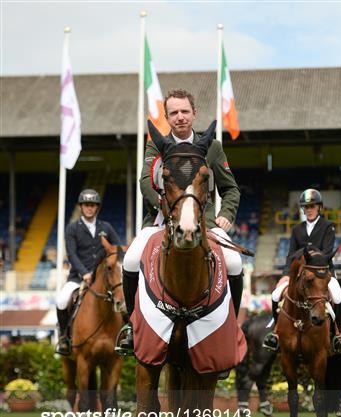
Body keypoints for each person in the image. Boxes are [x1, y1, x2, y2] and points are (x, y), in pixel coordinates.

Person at [116, 88, 242, 354]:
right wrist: (167, 208)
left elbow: (230, 189)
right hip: (161, 218)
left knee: (234, 262)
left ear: (194, 113)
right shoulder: (156, 144)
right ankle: (131, 325)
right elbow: (145, 182)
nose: (180, 117)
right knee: (129, 260)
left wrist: (227, 215)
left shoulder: (213, 147)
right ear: (167, 117)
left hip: (204, 221)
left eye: (185, 111)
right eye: (174, 113)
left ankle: (231, 326)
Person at [262, 188, 341, 354]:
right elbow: (290, 255)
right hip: (298, 274)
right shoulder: (296, 229)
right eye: (306, 207)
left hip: (323, 272)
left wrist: (304, 253)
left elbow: (326, 252)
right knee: (275, 295)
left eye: (312, 206)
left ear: (319, 207)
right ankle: (276, 334)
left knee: (337, 296)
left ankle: (337, 335)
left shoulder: (328, 226)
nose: (309, 209)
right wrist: (285, 275)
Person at [55, 189, 120, 355]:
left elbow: (117, 248)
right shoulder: (72, 228)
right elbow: (72, 254)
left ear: (97, 207)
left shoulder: (106, 227)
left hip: (103, 279)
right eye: (86, 205)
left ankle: (128, 336)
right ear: (81, 207)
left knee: (123, 298)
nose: (89, 208)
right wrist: (85, 273)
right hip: (78, 277)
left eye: (92, 205)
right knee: (62, 300)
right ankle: (64, 338)